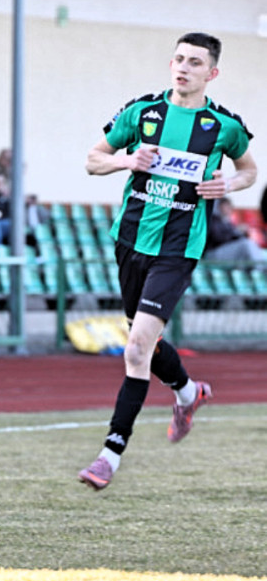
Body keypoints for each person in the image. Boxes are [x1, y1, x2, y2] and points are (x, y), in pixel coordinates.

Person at [78, 32, 258, 491]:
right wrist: (126, 161)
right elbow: (92, 160)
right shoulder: (142, 112)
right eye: (178, 59)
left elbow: (250, 170)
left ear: (211, 73)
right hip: (130, 241)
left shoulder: (223, 126)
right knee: (147, 345)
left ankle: (109, 455)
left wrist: (229, 186)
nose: (183, 67)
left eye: (195, 62)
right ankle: (188, 391)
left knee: (136, 346)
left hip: (179, 249)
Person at [204, 199, 265, 264]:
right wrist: (236, 231)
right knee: (246, 245)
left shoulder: (227, 222)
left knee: (250, 247)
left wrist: (242, 233)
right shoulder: (213, 220)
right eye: (226, 206)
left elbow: (234, 237)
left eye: (229, 207)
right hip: (214, 252)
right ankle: (261, 268)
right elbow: (217, 237)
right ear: (219, 207)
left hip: (226, 250)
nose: (228, 209)